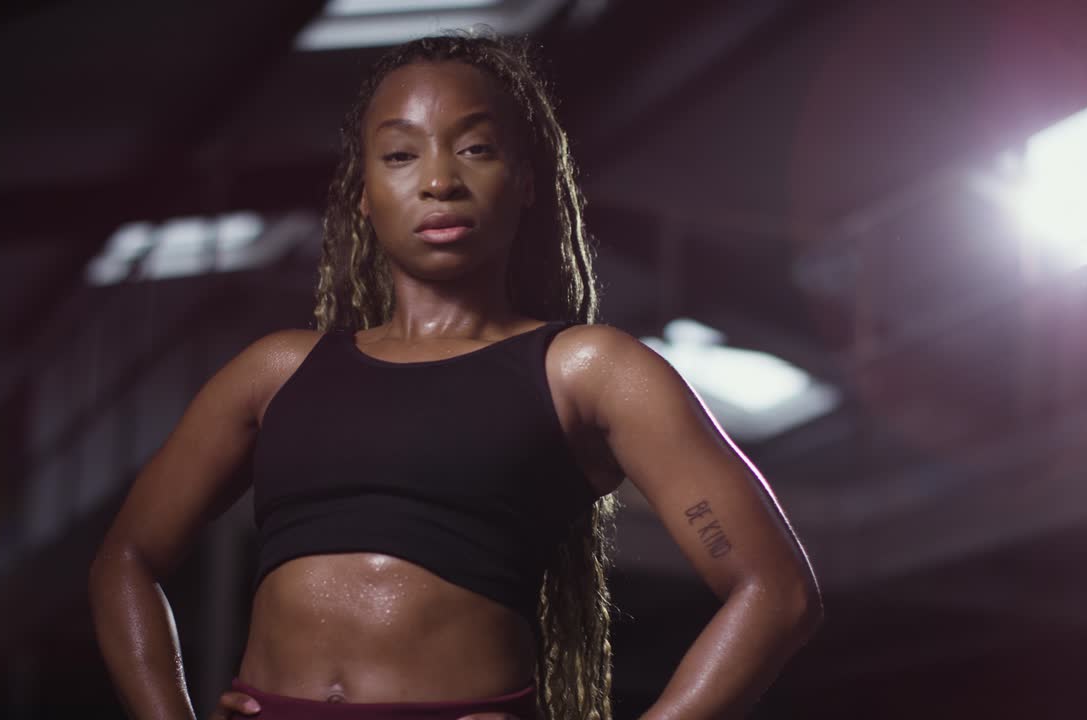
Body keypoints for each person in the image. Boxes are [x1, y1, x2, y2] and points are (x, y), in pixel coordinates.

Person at [89, 31, 822, 720]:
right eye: (401, 156)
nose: (440, 180)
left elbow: (777, 591)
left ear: (528, 181)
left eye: (475, 148)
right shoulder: (275, 372)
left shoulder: (588, 370)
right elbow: (127, 556)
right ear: (363, 192)